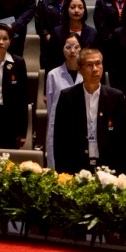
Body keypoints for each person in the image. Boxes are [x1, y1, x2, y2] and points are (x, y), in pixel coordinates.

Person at [50, 47, 126, 175]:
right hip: (76, 167)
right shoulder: (67, 97)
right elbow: (60, 140)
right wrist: (62, 174)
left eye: (98, 63)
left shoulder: (116, 97)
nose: (95, 69)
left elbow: (122, 141)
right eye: (89, 65)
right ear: (79, 69)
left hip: (108, 168)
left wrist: (122, 174)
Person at [40, 36, 85, 168]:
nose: (72, 51)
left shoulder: (86, 74)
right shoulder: (53, 75)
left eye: (76, 47)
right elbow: (51, 108)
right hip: (59, 126)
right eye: (68, 47)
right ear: (62, 50)